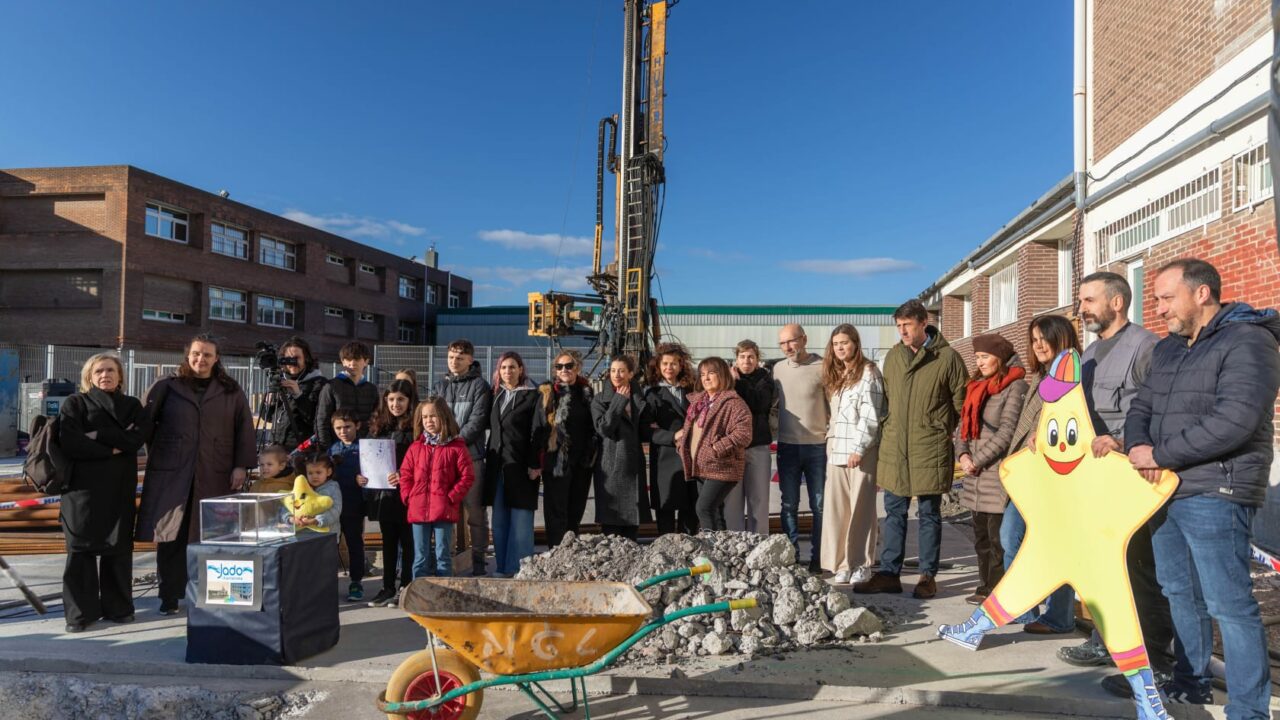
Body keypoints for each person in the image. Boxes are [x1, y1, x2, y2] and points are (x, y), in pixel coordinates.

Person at [1127, 258, 1280, 715]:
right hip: (1164, 488)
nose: (1157, 309)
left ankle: (1248, 710)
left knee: (1229, 604)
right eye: (1155, 299)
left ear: (1201, 294)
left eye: (1165, 298)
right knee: (1177, 591)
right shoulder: (1171, 349)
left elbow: (1236, 420)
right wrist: (1139, 446)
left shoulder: (1248, 341)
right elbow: (1141, 407)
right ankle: (1190, 682)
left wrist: (1161, 454)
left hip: (1217, 490)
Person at [1060, 272, 1176, 702]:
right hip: (1093, 480)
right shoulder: (1089, 353)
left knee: (1141, 571)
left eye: (1089, 299)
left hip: (1133, 478)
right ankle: (1106, 640)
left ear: (1117, 302)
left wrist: (1126, 442)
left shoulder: (1145, 347)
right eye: (1081, 300)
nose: (1081, 308)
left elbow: (1158, 412)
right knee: (1100, 567)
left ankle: (1158, 663)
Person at [854, 299, 966, 600]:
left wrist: (939, 428)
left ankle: (927, 576)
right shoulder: (893, 356)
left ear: (923, 322)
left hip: (929, 447)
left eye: (908, 325)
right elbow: (886, 399)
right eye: (899, 326)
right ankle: (889, 573)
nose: (902, 331)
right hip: (895, 447)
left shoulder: (947, 358)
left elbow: (961, 405)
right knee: (894, 512)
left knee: (929, 513)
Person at [137, 334, 256, 616]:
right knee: (171, 535)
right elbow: (146, 426)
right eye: (196, 354)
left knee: (217, 535)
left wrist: (241, 465)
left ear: (216, 359)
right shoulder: (167, 386)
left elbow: (244, 430)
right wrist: (167, 453)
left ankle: (218, 595)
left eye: (207, 355)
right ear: (187, 355)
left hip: (216, 472)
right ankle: (169, 596)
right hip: (173, 474)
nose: (200, 360)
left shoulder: (230, 390)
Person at [58, 353, 149, 633]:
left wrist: (96, 435)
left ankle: (119, 609)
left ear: (120, 375)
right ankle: (80, 615)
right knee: (80, 553)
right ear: (89, 376)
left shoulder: (132, 405)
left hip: (118, 488)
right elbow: (70, 442)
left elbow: (137, 438)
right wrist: (113, 447)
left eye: (110, 370)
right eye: (99, 371)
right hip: (81, 492)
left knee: (118, 550)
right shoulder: (75, 403)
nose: (105, 375)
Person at [1003, 314, 1081, 632]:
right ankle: (1024, 607)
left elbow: (1073, 424)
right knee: (1010, 536)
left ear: (1060, 338)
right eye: (1033, 339)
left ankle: (1059, 616)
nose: (1037, 345)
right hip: (1028, 474)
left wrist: (1048, 438)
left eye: (1043, 338)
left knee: (1055, 545)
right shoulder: (1040, 378)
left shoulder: (1073, 376)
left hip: (1056, 476)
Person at [954, 334, 1027, 605]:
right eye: (977, 358)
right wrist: (962, 454)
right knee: (981, 537)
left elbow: (1008, 430)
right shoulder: (976, 385)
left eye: (985, 357)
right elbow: (962, 426)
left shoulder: (1015, 387)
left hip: (995, 472)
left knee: (998, 540)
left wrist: (978, 459)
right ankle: (984, 585)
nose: (980, 362)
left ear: (999, 357)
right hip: (973, 472)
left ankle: (998, 592)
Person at [820, 325, 886, 586]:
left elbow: (871, 414)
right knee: (837, 511)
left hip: (861, 453)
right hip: (836, 450)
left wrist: (859, 449)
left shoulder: (868, 372)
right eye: (836, 343)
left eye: (845, 342)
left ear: (856, 344)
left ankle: (861, 564)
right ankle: (841, 563)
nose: (840, 347)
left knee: (861, 509)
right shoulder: (838, 375)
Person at [432, 339, 493, 576]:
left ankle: (478, 561)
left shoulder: (480, 386)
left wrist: (452, 442)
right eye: (450, 357)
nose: (454, 361)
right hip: (444, 459)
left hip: (472, 458)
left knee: (475, 512)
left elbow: (476, 422)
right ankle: (445, 561)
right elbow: (433, 419)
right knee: (445, 510)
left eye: (459, 357)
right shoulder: (439, 386)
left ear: (470, 360)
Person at [400, 396, 476, 579]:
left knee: (443, 555)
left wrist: (451, 497)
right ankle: (419, 595)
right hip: (418, 510)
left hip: (444, 510)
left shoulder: (456, 447)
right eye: (425, 417)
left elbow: (467, 476)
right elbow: (405, 475)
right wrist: (408, 497)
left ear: (444, 417)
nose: (429, 421)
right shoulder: (415, 448)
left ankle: (444, 594)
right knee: (420, 557)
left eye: (433, 416)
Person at [773, 323, 829, 571]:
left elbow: (834, 403)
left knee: (820, 506)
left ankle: (819, 559)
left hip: (818, 447)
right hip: (787, 447)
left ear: (804, 339)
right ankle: (792, 558)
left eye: (792, 341)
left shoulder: (823, 367)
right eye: (782, 343)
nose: (787, 347)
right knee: (789, 505)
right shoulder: (777, 370)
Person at [677, 357, 753, 531]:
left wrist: (716, 449)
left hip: (721, 466)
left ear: (723, 375)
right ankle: (721, 553)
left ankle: (709, 554)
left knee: (703, 508)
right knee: (715, 512)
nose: (706, 378)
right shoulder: (698, 403)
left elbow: (744, 434)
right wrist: (682, 445)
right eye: (702, 374)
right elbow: (690, 430)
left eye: (711, 373)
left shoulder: (734, 403)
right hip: (701, 466)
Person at [483, 352, 540, 577]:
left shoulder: (532, 397)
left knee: (520, 524)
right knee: (499, 522)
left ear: (521, 370)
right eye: (504, 367)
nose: (508, 371)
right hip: (498, 466)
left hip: (522, 466)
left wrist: (535, 463)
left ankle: (520, 569)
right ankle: (503, 567)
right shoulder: (496, 395)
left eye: (512, 367)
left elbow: (537, 431)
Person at [532, 350, 596, 546]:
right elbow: (538, 427)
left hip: (581, 461)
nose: (564, 370)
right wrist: (536, 461)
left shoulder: (586, 393)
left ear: (577, 368)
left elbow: (593, 426)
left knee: (576, 509)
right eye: (560, 367)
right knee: (556, 510)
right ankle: (556, 550)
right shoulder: (548, 393)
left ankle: (570, 551)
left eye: (569, 366)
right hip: (556, 461)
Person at [364, 379, 418, 607]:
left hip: (407, 493)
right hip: (384, 494)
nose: (396, 404)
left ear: (409, 401)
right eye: (392, 399)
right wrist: (363, 475)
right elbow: (369, 458)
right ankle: (387, 587)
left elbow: (419, 460)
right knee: (388, 542)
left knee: (408, 542)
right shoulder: (379, 425)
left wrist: (404, 475)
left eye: (401, 400)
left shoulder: (415, 427)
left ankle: (405, 587)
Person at [642, 343, 699, 535]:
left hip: (692, 455)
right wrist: (672, 435)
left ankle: (690, 548)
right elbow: (645, 430)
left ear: (682, 365)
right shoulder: (652, 394)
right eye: (665, 363)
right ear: (657, 366)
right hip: (666, 457)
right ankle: (664, 551)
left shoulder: (692, 390)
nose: (669, 368)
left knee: (690, 506)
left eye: (674, 363)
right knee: (666, 507)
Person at [592, 355, 650, 540]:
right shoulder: (600, 399)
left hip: (633, 464)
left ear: (630, 374)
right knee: (612, 524)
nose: (616, 374)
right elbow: (604, 428)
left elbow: (643, 430)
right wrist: (618, 401)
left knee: (632, 525)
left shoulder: (639, 398)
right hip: (611, 465)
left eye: (622, 370)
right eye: (613, 370)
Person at [725, 340, 776, 535]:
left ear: (757, 359)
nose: (746, 361)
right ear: (736, 359)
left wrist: (738, 383)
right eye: (742, 357)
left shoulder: (765, 379)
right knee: (732, 502)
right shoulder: (726, 380)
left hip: (758, 447)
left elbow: (759, 404)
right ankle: (734, 542)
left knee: (759, 500)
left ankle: (759, 542)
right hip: (733, 448)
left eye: (751, 357)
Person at [329, 409, 368, 601]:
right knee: (331, 545)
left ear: (357, 425)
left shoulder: (365, 448)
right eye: (338, 428)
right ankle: (328, 583)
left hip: (354, 504)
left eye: (347, 427)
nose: (343, 431)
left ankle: (356, 582)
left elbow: (372, 473)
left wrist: (363, 479)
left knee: (354, 544)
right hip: (332, 507)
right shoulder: (332, 449)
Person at [315, 341, 379, 450]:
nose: (352, 364)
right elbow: (322, 421)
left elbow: (375, 420)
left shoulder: (372, 389)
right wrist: (327, 450)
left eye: (357, 359)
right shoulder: (331, 386)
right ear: (342, 362)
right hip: (337, 451)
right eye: (348, 359)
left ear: (366, 361)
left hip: (365, 450)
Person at [269, 336, 328, 453]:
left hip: (302, 449)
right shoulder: (281, 381)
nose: (292, 363)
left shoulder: (319, 382)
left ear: (306, 359)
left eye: (296, 358)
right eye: (288, 359)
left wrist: (298, 395)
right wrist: (269, 403)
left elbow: (316, 419)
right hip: (277, 447)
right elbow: (269, 417)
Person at [293, 454, 343, 533]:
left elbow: (336, 510)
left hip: (328, 535)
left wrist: (316, 520)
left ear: (329, 472)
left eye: (318, 472)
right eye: (310, 473)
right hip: (306, 535)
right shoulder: (303, 488)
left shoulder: (333, 488)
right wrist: (291, 518)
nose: (314, 476)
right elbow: (293, 503)